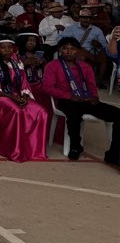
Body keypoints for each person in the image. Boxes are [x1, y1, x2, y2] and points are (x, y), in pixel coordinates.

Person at [42, 36, 120, 164]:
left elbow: (91, 85)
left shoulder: (85, 66)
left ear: (78, 50)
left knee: (118, 114)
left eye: (72, 49)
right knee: (73, 115)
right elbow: (47, 87)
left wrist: (95, 97)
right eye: (65, 48)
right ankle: (75, 146)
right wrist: (69, 96)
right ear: (60, 50)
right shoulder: (53, 65)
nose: (68, 51)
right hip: (66, 100)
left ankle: (114, 154)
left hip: (86, 99)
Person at [0, 39, 48, 162]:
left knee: (40, 111)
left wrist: (25, 96)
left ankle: (34, 149)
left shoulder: (17, 64)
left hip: (17, 96)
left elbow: (24, 84)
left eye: (10, 47)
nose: (7, 50)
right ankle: (13, 150)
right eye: (3, 47)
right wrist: (13, 98)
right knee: (16, 111)